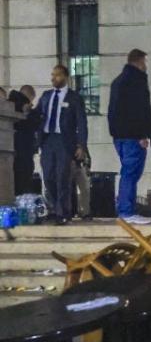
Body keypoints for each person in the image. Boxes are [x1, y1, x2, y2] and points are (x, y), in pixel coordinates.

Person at [107, 48, 151, 225]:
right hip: (134, 135)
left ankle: (127, 209)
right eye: (145, 62)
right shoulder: (137, 80)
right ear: (140, 61)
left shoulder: (117, 81)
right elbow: (140, 108)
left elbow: (114, 111)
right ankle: (126, 211)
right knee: (131, 172)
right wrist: (142, 134)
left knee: (128, 171)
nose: (146, 66)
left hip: (119, 135)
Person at [36, 65, 88, 225]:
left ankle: (63, 212)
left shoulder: (74, 98)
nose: (53, 78)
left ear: (65, 77)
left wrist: (81, 145)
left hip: (64, 141)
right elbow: (37, 115)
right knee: (48, 175)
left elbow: (81, 123)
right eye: (52, 75)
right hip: (47, 140)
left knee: (62, 177)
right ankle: (53, 208)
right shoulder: (46, 96)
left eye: (57, 75)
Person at [9, 85, 38, 195]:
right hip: (23, 151)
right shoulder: (23, 106)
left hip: (12, 151)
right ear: (30, 96)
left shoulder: (11, 103)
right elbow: (33, 124)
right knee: (22, 184)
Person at [71, 145, 91, 219]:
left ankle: (86, 212)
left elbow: (86, 151)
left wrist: (87, 165)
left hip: (80, 165)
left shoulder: (80, 140)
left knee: (85, 188)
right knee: (67, 190)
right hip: (67, 165)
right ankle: (69, 211)